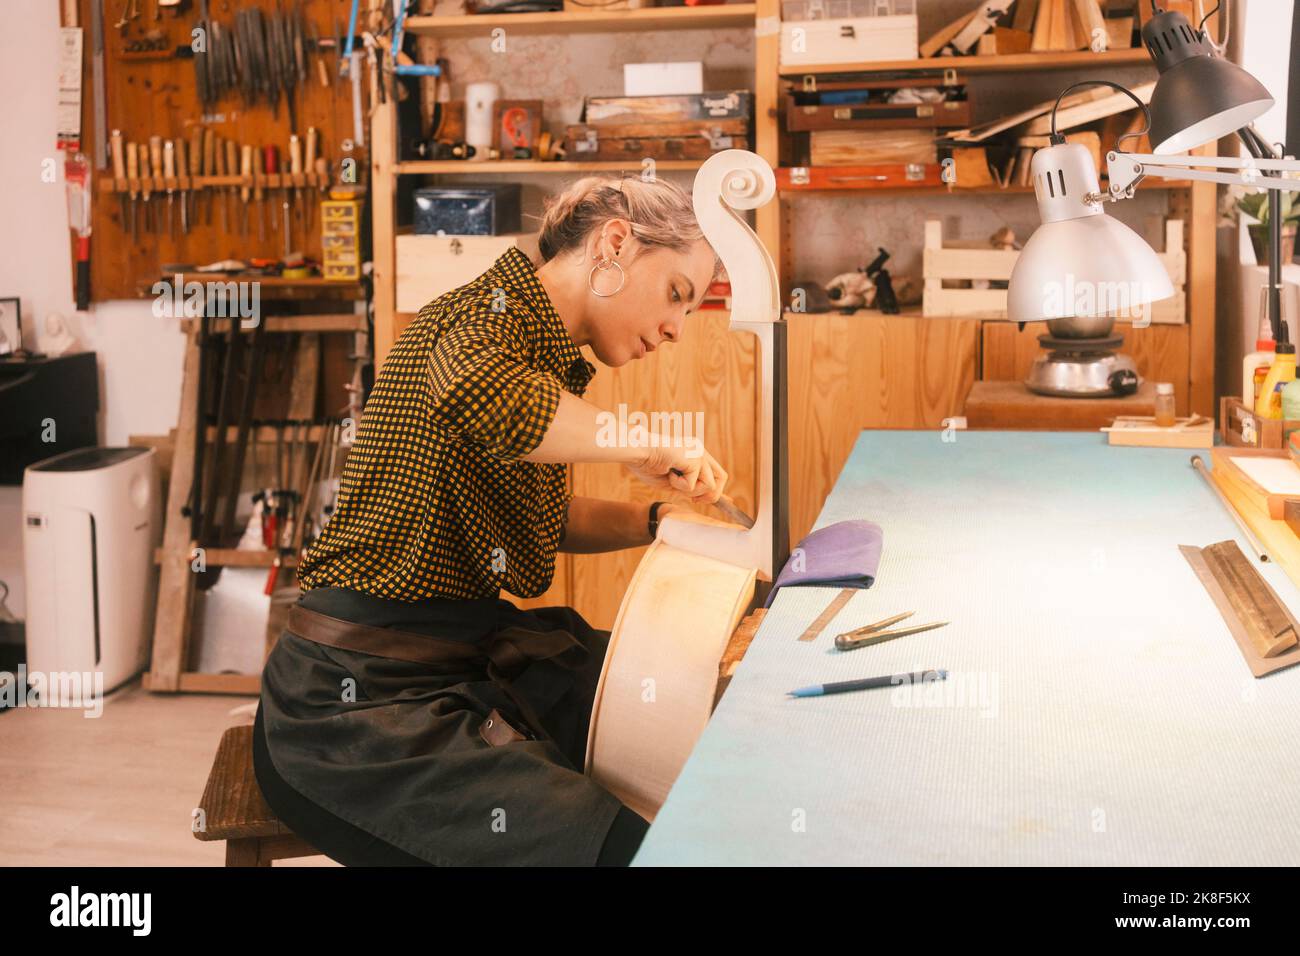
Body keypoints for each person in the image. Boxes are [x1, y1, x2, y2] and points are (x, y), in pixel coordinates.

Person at [252, 174, 731, 866]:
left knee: (683, 703)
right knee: (623, 853)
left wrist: (656, 520)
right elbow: (484, 396)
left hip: (464, 652)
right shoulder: (481, 317)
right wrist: (646, 442)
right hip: (356, 700)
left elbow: (536, 515)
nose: (675, 330)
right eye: (677, 295)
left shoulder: (538, 353)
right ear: (616, 244)